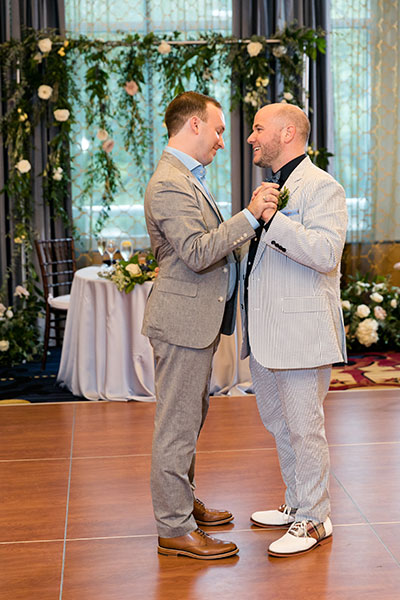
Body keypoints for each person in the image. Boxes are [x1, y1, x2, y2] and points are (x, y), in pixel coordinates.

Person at [142, 91, 277, 560]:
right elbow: (199, 252)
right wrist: (250, 215)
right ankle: (174, 527)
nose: (223, 140)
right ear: (194, 125)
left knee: (188, 419)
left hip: (192, 320)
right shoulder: (169, 183)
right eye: (218, 129)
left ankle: (182, 503)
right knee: (176, 426)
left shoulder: (186, 178)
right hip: (181, 321)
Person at [240, 103, 348, 557]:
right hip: (267, 331)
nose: (251, 138)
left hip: (301, 333)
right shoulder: (271, 187)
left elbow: (326, 254)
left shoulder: (323, 187)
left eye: (258, 128)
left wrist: (272, 220)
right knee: (280, 425)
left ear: (287, 133)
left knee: (306, 429)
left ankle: (314, 518)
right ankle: (297, 503)